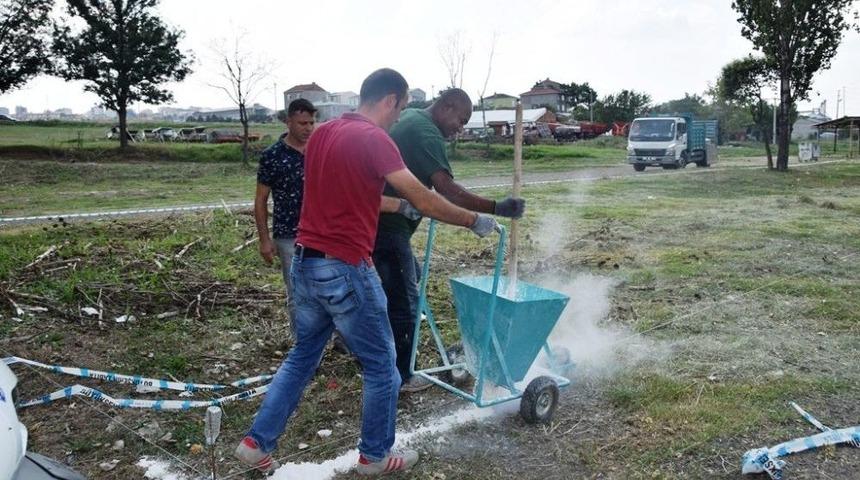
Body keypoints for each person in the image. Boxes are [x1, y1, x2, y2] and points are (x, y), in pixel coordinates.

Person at [235, 68, 498, 476]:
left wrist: (394, 210)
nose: (400, 117)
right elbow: (425, 199)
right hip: (344, 268)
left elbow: (352, 194)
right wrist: (473, 220)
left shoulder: (324, 134)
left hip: (305, 261)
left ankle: (256, 444)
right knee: (382, 365)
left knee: (302, 356)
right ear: (390, 99)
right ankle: (375, 455)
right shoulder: (375, 139)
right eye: (402, 107)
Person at [374, 88, 526, 393]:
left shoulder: (413, 117)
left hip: (379, 221)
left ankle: (361, 337)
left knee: (407, 278)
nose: (461, 128)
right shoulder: (426, 133)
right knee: (405, 301)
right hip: (387, 226)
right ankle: (402, 376)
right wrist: (496, 207)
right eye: (461, 119)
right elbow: (448, 190)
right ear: (447, 106)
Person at [254, 99, 317, 334]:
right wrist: (264, 239)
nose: (308, 128)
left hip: (323, 233)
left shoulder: (320, 149)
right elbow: (260, 200)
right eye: (302, 123)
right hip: (289, 235)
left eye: (311, 123)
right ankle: (303, 345)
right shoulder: (272, 155)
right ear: (288, 121)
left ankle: (341, 339)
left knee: (331, 289)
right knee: (298, 294)